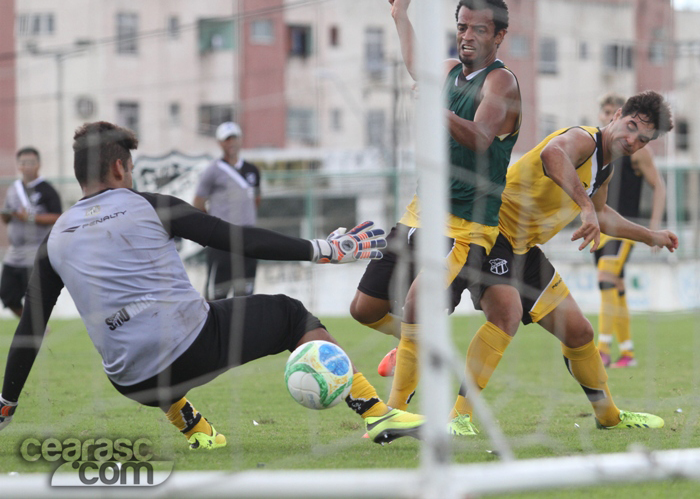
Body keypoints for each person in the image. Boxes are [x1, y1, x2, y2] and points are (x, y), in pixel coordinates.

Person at [0, 122, 424, 448]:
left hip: (130, 383)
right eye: (129, 168)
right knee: (291, 314)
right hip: (192, 350)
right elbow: (237, 238)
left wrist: (8, 402)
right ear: (119, 167)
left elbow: (30, 328)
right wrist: (323, 249)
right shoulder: (149, 204)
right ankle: (374, 411)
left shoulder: (54, 238)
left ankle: (196, 429)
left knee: (149, 334)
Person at [446, 90, 677, 435]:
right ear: (615, 117)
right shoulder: (584, 139)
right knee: (505, 315)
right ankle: (456, 417)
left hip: (523, 248)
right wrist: (585, 208)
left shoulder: (605, 168)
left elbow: (601, 214)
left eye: (642, 139)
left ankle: (609, 416)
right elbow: (554, 155)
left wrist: (650, 236)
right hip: (491, 231)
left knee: (580, 331)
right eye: (630, 127)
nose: (632, 140)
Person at [349, 0, 522, 411]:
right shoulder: (447, 72)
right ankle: (418, 343)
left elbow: (481, 137)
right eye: (462, 27)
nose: (467, 36)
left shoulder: (502, 82)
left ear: (499, 36)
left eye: (478, 30)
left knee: (417, 303)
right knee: (363, 309)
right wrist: (400, 17)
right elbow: (415, 66)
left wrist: (435, 109)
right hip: (419, 214)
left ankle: (395, 412)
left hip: (466, 227)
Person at [593, 94, 666, 369]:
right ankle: (628, 353)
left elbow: (659, 186)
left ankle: (602, 350)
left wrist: (653, 228)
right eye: (606, 111)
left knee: (606, 276)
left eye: (615, 111)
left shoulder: (638, 151)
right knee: (614, 287)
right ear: (603, 116)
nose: (610, 115)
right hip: (600, 228)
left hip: (624, 229)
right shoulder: (597, 149)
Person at [194, 121, 261, 300]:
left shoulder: (252, 170)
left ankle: (245, 329)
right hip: (222, 240)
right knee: (217, 295)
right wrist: (214, 225)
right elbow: (198, 202)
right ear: (220, 143)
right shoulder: (213, 171)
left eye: (234, 138)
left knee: (246, 294)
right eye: (227, 139)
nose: (231, 142)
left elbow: (256, 199)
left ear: (240, 140)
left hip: (248, 238)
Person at [1, 148, 61, 317]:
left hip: (35, 251)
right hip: (14, 252)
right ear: (18, 166)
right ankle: (32, 326)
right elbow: (8, 217)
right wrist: (7, 215)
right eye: (23, 163)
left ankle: (36, 328)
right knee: (7, 294)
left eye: (31, 163)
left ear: (39, 164)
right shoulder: (14, 188)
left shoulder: (46, 189)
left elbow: (58, 216)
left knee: (34, 299)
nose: (26, 167)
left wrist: (31, 218)